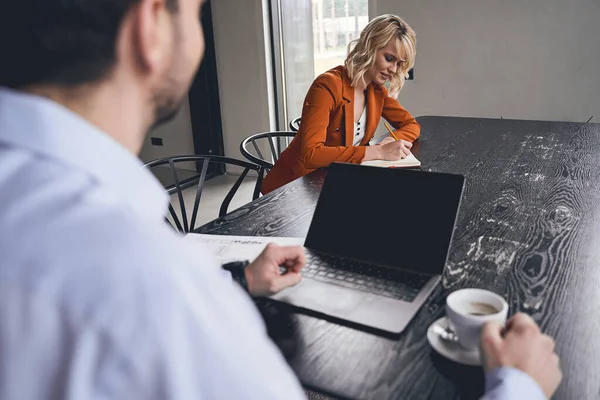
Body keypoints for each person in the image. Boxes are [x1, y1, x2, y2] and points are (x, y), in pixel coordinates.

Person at [0, 0, 561, 398]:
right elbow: (313, 155)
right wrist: (519, 387)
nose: (395, 70)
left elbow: (409, 122)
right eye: (198, 11)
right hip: (292, 193)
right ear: (152, 25)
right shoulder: (163, 295)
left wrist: (236, 280)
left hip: (319, 210)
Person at [261, 14, 421, 194]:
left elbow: (411, 125)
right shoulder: (328, 85)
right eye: (389, 58)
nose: (394, 70)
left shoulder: (376, 91)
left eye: (399, 64)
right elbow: (311, 154)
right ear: (370, 47)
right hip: (295, 187)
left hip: (336, 181)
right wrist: (379, 152)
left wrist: (390, 140)